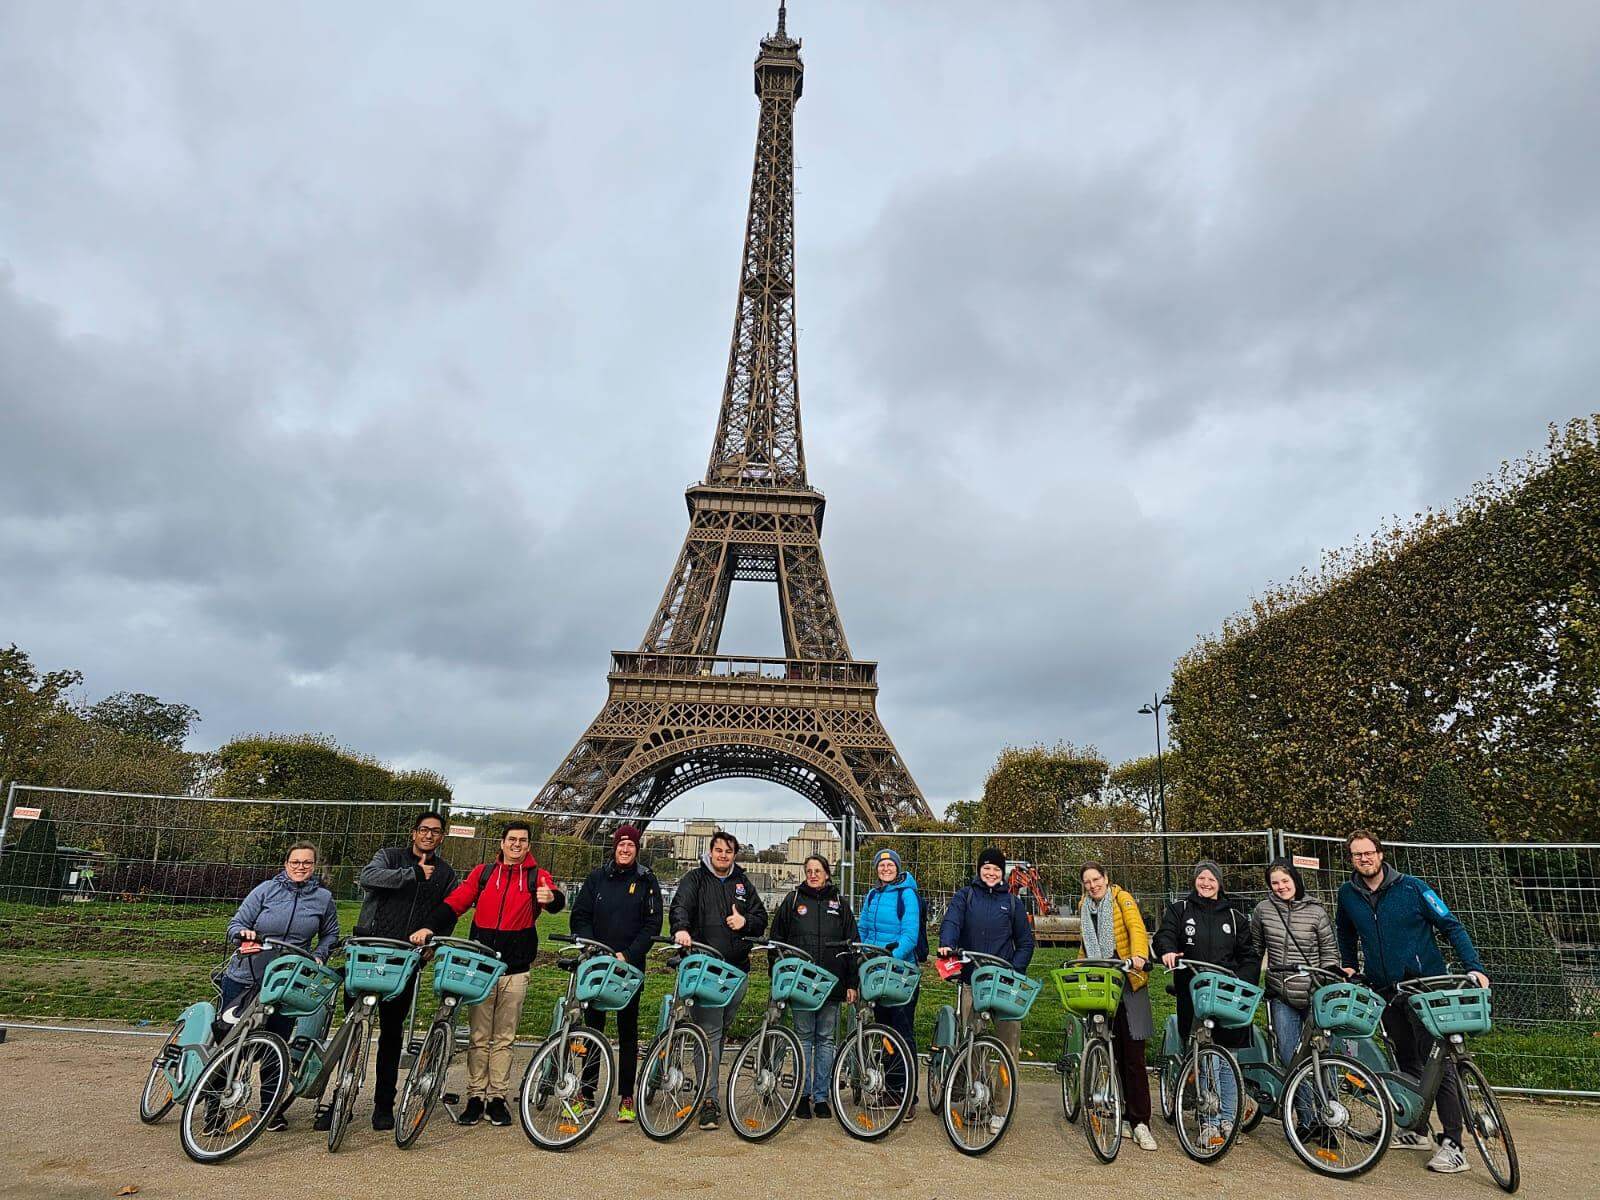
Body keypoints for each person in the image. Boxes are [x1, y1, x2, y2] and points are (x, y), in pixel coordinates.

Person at [1336, 830, 1490, 1174]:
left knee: (1439, 1063)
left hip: (1424, 988)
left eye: (1369, 853)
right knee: (1405, 1059)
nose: (1364, 859)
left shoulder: (1413, 887)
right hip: (1385, 989)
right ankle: (1418, 1128)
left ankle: (1452, 1143)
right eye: (1357, 855)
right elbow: (1344, 930)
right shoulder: (1348, 893)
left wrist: (1474, 967)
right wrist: (1349, 963)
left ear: (1381, 853)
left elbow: (1451, 926)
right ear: (1351, 859)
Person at [414, 821, 564, 1128]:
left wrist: (552, 899)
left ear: (529, 845)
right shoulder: (483, 874)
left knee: (504, 1038)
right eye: (512, 840)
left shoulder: (536, 875)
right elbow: (456, 902)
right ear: (502, 842)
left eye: (523, 840)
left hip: (516, 967)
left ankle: (497, 1097)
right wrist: (430, 925)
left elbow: (554, 899)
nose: (517, 845)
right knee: (479, 1037)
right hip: (480, 968)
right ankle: (475, 1096)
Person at [338, 811, 459, 1132]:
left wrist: (434, 943)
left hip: (405, 960)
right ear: (413, 833)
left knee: (392, 1035)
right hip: (367, 951)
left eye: (435, 831)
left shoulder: (446, 874)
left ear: (442, 837)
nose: (429, 835)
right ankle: (338, 1100)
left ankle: (382, 1105)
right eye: (423, 830)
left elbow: (448, 913)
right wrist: (411, 874)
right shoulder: (390, 857)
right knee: (352, 1031)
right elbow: (368, 877)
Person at [221, 841, 339, 1131]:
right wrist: (244, 934)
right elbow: (235, 925)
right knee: (229, 1041)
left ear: (314, 867)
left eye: (307, 862)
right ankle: (215, 1109)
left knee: (278, 1044)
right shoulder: (265, 890)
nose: (301, 866)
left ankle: (270, 1109)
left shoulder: (323, 899)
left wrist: (320, 955)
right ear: (286, 864)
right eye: (295, 861)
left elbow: (331, 933)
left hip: (288, 980)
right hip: (248, 974)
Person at [670, 829, 768, 1131]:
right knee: (711, 1033)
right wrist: (681, 929)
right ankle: (709, 1100)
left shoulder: (743, 883)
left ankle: (707, 1085)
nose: (723, 855)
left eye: (729, 851)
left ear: (734, 854)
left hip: (737, 970)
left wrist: (745, 922)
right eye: (719, 850)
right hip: (707, 971)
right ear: (710, 852)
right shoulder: (695, 879)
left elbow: (761, 918)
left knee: (719, 1032)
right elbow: (680, 906)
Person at [1154, 860, 1253, 1145]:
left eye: (1211, 879)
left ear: (1219, 883)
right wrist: (1168, 951)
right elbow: (1165, 936)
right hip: (1193, 993)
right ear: (1195, 881)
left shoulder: (1235, 917)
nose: (1206, 883)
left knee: (1228, 1059)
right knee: (1204, 1057)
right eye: (1201, 878)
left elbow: (1249, 955)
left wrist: (1241, 981)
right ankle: (1208, 1122)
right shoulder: (1180, 910)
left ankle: (1229, 1119)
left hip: (1227, 994)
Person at [570, 823, 663, 1123]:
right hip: (597, 963)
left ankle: (626, 1094)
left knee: (628, 1030)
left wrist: (629, 954)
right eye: (621, 844)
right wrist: (593, 947)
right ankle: (586, 1091)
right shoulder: (597, 878)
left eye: (631, 845)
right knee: (593, 1029)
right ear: (614, 847)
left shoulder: (646, 880)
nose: (625, 849)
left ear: (637, 849)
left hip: (628, 967)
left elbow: (652, 925)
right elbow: (580, 915)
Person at [769, 854, 857, 1120]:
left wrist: (852, 982)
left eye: (818, 870)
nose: (813, 874)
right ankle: (802, 1095)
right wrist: (778, 974)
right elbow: (777, 940)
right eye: (809, 870)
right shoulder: (792, 901)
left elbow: (852, 944)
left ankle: (821, 1097)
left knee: (826, 1039)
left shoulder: (840, 905)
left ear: (827, 874)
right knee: (804, 1039)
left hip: (830, 982)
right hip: (801, 983)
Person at [1077, 860, 1157, 1152]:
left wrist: (1138, 956)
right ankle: (1120, 1110)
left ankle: (1141, 1122)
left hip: (1129, 979)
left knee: (1133, 1054)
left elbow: (1136, 928)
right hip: (1101, 980)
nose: (1092, 885)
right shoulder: (1084, 906)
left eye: (1096, 879)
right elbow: (1086, 943)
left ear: (1106, 879)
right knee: (1109, 1051)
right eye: (1087, 882)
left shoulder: (1122, 899)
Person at [937, 846, 1034, 1068]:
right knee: (971, 1040)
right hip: (973, 979)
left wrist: (1015, 970)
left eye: (996, 869)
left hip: (1003, 982)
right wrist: (947, 943)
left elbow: (1026, 942)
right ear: (979, 869)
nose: (991, 873)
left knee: (1008, 1043)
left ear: (1003, 873)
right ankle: (976, 1093)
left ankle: (1003, 1100)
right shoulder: (965, 896)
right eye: (986, 868)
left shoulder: (1012, 903)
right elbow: (952, 921)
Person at [856, 847, 924, 1121]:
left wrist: (890, 957)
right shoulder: (872, 895)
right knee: (885, 1033)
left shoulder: (907, 895)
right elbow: (863, 927)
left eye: (890, 864)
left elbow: (910, 934)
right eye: (881, 865)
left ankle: (907, 1095)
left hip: (900, 972)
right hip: (876, 971)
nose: (885, 868)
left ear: (898, 868)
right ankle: (893, 1089)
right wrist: (859, 951)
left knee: (902, 1032)